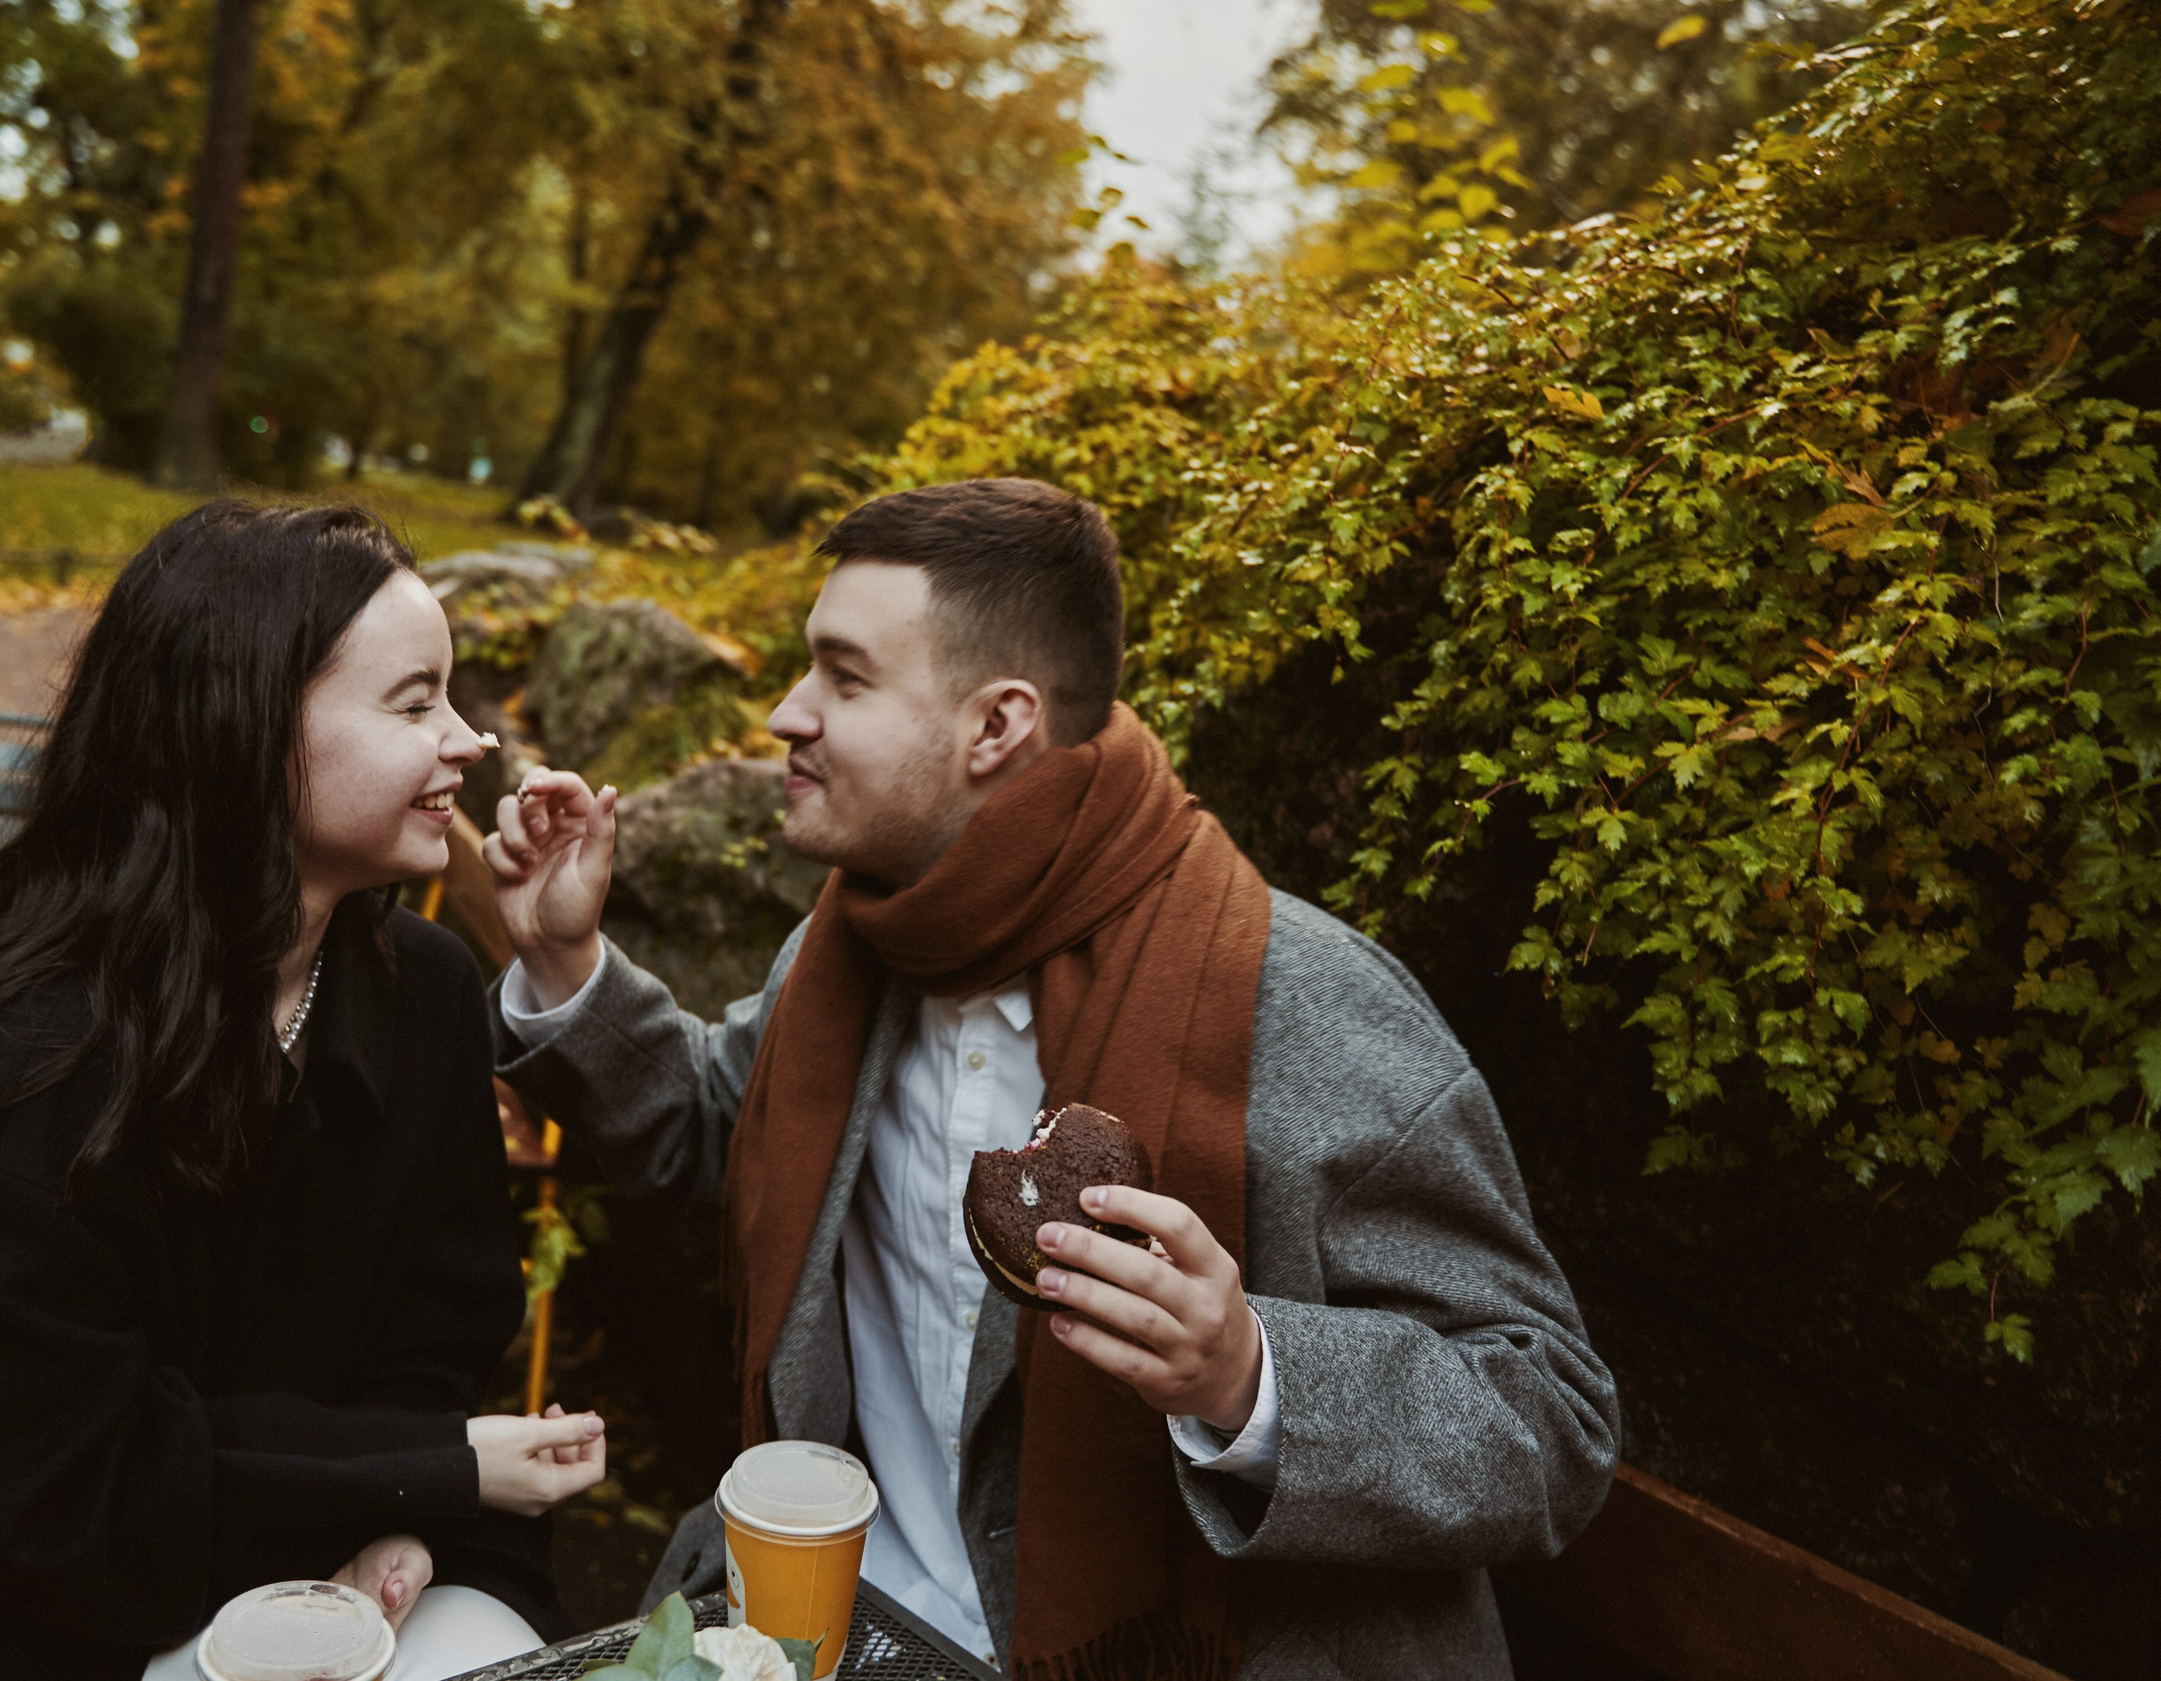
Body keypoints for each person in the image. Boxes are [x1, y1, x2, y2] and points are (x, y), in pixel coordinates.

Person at [484, 478, 1621, 1680]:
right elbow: (718, 1132)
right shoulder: (849, 952)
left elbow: (1550, 1425)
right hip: (843, 1623)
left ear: (996, 726)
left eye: (843, 677)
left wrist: (1248, 1372)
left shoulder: (1311, 1010)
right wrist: (564, 960)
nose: (783, 713)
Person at [0, 502, 605, 1681]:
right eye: (413, 705)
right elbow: (56, 1499)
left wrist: (399, 1521)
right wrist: (423, 1470)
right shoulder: (33, 1050)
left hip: (316, 1553)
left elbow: (439, 1336)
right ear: (242, 727)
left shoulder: (425, 994)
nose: (468, 743)